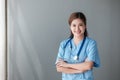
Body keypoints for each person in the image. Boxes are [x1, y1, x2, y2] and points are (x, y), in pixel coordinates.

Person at [55, 12, 100, 80]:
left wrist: (66, 65)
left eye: (80, 25)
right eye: (74, 25)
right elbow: (59, 68)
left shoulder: (91, 44)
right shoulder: (63, 44)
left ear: (85, 26)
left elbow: (88, 66)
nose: (77, 29)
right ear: (70, 27)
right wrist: (80, 69)